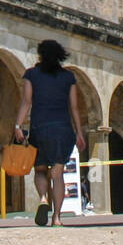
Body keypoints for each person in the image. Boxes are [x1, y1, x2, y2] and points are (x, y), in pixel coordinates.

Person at [14, 39, 86, 227]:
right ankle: (57, 218)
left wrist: (17, 125)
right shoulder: (68, 77)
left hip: (40, 128)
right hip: (63, 130)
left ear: (40, 55)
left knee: (40, 169)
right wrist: (79, 132)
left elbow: (26, 101)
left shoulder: (32, 75)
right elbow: (74, 107)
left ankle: (44, 198)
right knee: (57, 174)